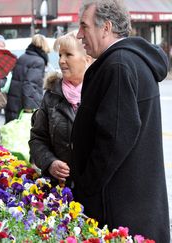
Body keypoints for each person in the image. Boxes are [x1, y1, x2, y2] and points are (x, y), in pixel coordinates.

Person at [72, 0, 170, 241]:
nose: (79, 35)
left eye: (84, 27)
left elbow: (113, 138)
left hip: (119, 209)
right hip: (136, 204)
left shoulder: (118, 65)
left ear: (105, 27)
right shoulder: (127, 61)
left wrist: (85, 186)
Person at [29, 31, 92, 187]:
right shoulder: (51, 97)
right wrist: (50, 163)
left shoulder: (99, 94)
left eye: (68, 55)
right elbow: (37, 139)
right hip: (60, 189)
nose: (62, 61)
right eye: (60, 55)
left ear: (87, 60)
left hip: (92, 188)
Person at [5, 34, 50, 123]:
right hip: (24, 105)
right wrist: (30, 107)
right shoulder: (38, 61)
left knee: (14, 131)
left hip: (14, 102)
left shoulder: (23, 57)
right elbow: (30, 85)